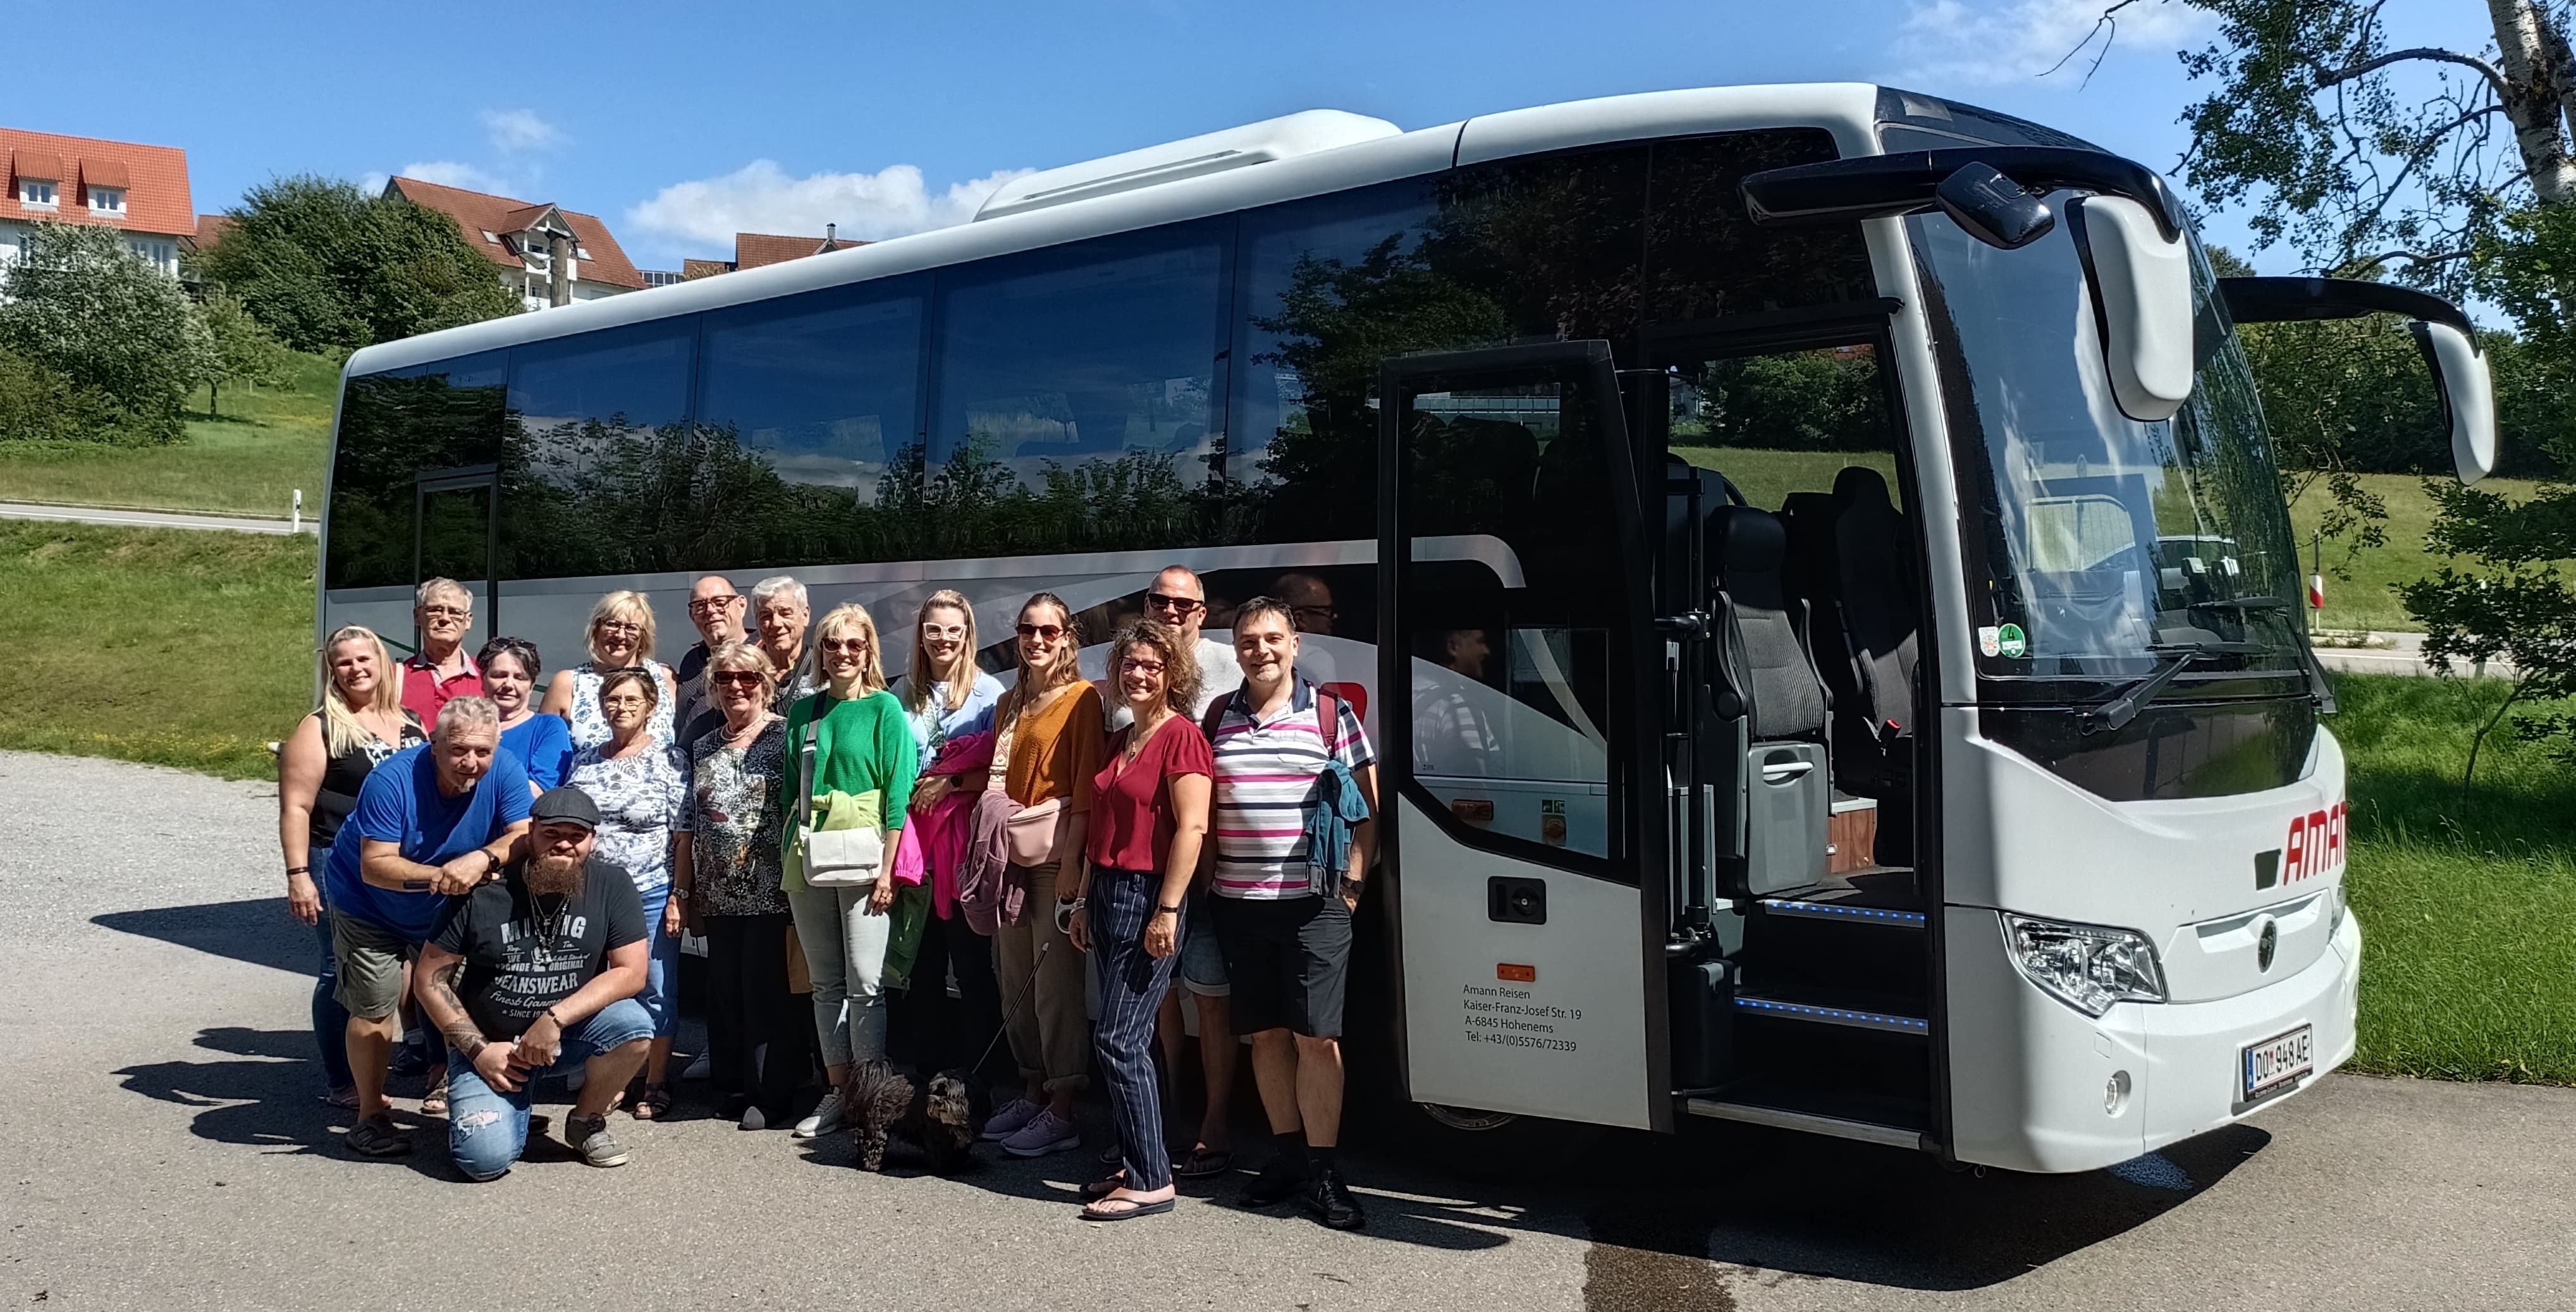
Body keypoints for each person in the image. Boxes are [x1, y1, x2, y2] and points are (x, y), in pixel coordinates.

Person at [1206, 596, 1379, 1229]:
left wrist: (1352, 889)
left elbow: (1368, 809)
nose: (1262, 650)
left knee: (1318, 1037)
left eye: (1273, 638)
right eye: (1249, 641)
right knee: (1267, 1034)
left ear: (1295, 643)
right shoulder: (1219, 716)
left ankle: (1325, 1170)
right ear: (1236, 649)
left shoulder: (1331, 714)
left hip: (1314, 906)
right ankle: (1286, 1158)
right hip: (1237, 904)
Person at [324, 696, 532, 1158]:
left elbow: (523, 834)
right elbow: (376, 865)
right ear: (434, 744)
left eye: (482, 751)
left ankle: (460, 1088)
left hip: (444, 904)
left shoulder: (505, 770)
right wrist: (443, 875)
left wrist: (482, 858)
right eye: (458, 750)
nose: (471, 762)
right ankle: (370, 1116)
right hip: (368, 903)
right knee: (375, 1003)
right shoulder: (391, 779)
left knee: (461, 995)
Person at [415, 786, 654, 1179]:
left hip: (565, 1037)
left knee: (634, 1026)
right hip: (491, 1047)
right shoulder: (483, 891)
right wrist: (478, 1051)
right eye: (552, 833)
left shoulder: (612, 884)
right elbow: (429, 980)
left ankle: (586, 1121)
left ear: (593, 840)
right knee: (483, 1162)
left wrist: (554, 1019)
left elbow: (631, 971)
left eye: (577, 836)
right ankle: (512, 1116)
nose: (564, 844)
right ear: (531, 833)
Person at [1069, 620, 1213, 1220]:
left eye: (1153, 665)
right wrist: (1081, 901)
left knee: (1118, 1038)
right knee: (1136, 1039)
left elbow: (1193, 828)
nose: (1139, 674)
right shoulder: (1124, 737)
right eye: (1130, 663)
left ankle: (1153, 1179)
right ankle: (1138, 1160)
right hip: (1106, 890)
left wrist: (1168, 909)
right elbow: (1100, 826)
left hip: (1147, 893)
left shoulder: (1182, 738)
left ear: (1174, 673)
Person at [778, 602, 918, 1139]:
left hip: (866, 855)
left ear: (868, 651)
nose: (842, 653)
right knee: (825, 983)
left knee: (865, 982)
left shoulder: (885, 709)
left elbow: (897, 795)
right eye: (832, 644)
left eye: (853, 644)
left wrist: (888, 871)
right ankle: (838, 1092)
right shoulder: (804, 713)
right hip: (809, 854)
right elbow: (790, 792)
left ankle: (871, 1095)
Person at [276, 625, 424, 1108]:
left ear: (382, 662)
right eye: (344, 662)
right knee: (337, 969)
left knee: (412, 963)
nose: (356, 668)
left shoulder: (411, 722)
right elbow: (297, 806)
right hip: (338, 862)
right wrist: (298, 875)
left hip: (402, 861)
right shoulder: (319, 726)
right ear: (332, 671)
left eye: (364, 659)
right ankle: (343, 1080)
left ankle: (409, 1062)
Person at [979, 592, 1103, 1159]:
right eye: (1028, 629)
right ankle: (1031, 1090)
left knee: (1055, 987)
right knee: (1015, 982)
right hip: (1010, 857)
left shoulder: (1082, 699)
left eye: (1049, 631)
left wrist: (1075, 866)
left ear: (1067, 637)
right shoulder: (1010, 702)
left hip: (1055, 858)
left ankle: (1063, 1106)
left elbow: (1085, 792)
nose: (1036, 640)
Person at [1136, 566, 1244, 1180]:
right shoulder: (1133, 669)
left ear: (1203, 611)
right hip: (1146, 866)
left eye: (1184, 603)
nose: (1172, 611)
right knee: (1160, 999)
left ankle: (1216, 1122)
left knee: (1211, 999)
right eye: (1161, 601)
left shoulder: (1229, 668)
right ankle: (1167, 1114)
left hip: (1207, 866)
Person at [687, 642, 805, 1130]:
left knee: (766, 994)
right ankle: (732, 1085)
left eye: (748, 678)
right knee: (725, 992)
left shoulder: (785, 736)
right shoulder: (702, 746)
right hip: (717, 892)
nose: (736, 686)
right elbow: (692, 820)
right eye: (725, 678)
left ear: (766, 684)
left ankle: (770, 1094)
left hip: (772, 890)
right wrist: (688, 890)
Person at [888, 590, 1006, 1078]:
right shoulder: (902, 692)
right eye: (934, 629)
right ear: (921, 635)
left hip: (964, 855)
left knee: (973, 970)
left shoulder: (990, 694)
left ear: (968, 634)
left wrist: (951, 782)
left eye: (954, 630)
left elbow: (1002, 773)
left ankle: (980, 1078)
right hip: (915, 854)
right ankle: (926, 1074)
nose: (944, 639)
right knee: (922, 970)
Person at [564, 668, 691, 1119]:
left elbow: (683, 835)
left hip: (650, 889)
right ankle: (611, 1078)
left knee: (656, 986)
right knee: (598, 985)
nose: (620, 708)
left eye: (631, 700)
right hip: (592, 893)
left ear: (650, 707)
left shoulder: (670, 760)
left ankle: (655, 1081)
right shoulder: (584, 761)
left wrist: (678, 895)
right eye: (613, 699)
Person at [543, 591, 680, 752]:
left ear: (643, 636)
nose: (620, 635)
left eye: (631, 628)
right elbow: (541, 748)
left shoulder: (665, 678)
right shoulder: (568, 683)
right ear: (596, 628)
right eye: (612, 624)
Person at [482, 637, 572, 797]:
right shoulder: (464, 726)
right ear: (483, 680)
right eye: (499, 675)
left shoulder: (548, 728)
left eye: (520, 678)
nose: (509, 685)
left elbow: (539, 789)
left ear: (531, 686)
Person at [674, 574, 750, 748]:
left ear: (741, 605)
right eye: (700, 605)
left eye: (720, 602)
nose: (710, 611)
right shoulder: (691, 661)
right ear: (692, 615)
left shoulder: (762, 658)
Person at [398, 578, 484, 726]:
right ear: (417, 616)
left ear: (468, 621)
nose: (445, 618)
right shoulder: (396, 679)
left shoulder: (487, 676)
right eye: (435, 610)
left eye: (455, 612)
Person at [750, 575, 824, 714]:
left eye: (785, 613)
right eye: (766, 615)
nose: (776, 623)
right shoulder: (745, 672)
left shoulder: (825, 667)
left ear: (805, 616)